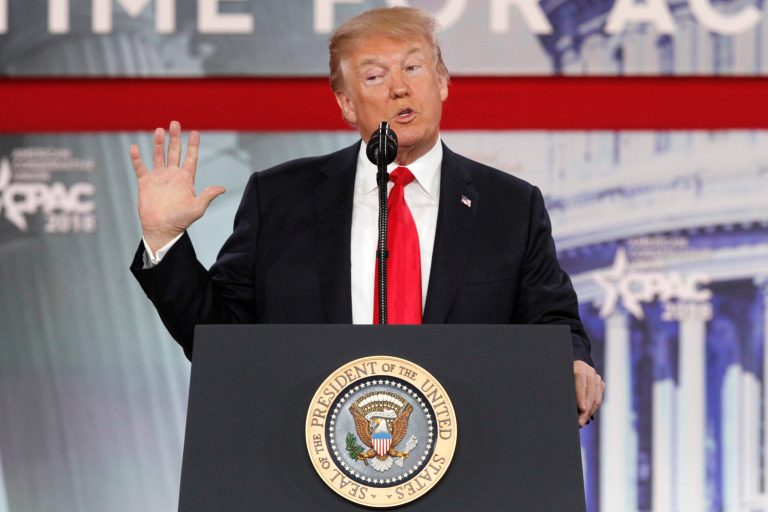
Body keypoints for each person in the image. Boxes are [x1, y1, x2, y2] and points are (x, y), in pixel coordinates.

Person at [129, 7, 604, 427]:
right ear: (346, 103)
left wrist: (571, 361)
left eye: (414, 67)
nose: (400, 86)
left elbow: (551, 321)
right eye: (375, 76)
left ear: (442, 82)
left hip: (469, 465)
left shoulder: (510, 206)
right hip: (307, 466)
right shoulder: (279, 198)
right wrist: (164, 241)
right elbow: (220, 340)